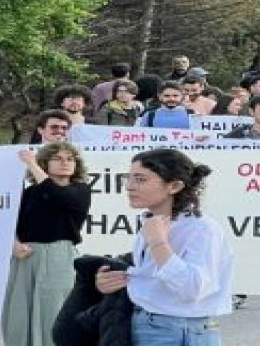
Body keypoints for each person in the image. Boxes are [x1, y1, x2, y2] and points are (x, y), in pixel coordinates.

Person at [95, 148, 233, 346]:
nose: (130, 187)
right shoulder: (154, 222)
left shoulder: (201, 229)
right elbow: (153, 277)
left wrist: (159, 243)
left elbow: (192, 289)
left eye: (141, 179)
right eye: (129, 178)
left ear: (174, 186)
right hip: (154, 323)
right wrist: (115, 280)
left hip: (178, 329)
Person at [3, 142, 92, 346]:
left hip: (59, 256)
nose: (65, 163)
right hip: (26, 258)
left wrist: (32, 165)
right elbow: (10, 224)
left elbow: (58, 196)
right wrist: (14, 244)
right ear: (47, 163)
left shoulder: (80, 190)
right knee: (19, 316)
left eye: (70, 159)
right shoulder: (30, 193)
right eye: (58, 158)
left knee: (54, 313)